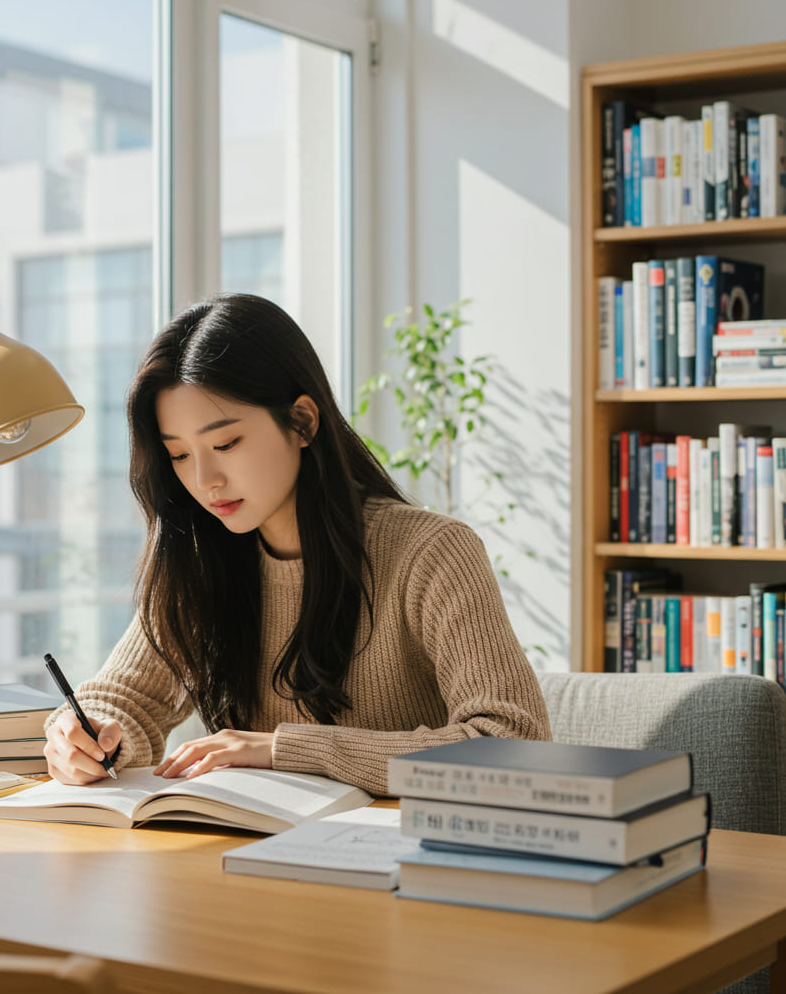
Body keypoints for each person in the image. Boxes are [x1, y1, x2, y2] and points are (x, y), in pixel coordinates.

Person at [44, 293, 550, 796]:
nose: (204, 480)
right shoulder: (202, 559)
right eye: (178, 455)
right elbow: (125, 701)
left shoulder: (431, 553)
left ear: (303, 422)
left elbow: (515, 746)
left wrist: (287, 749)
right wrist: (86, 736)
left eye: (225, 444)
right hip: (252, 841)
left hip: (397, 842)